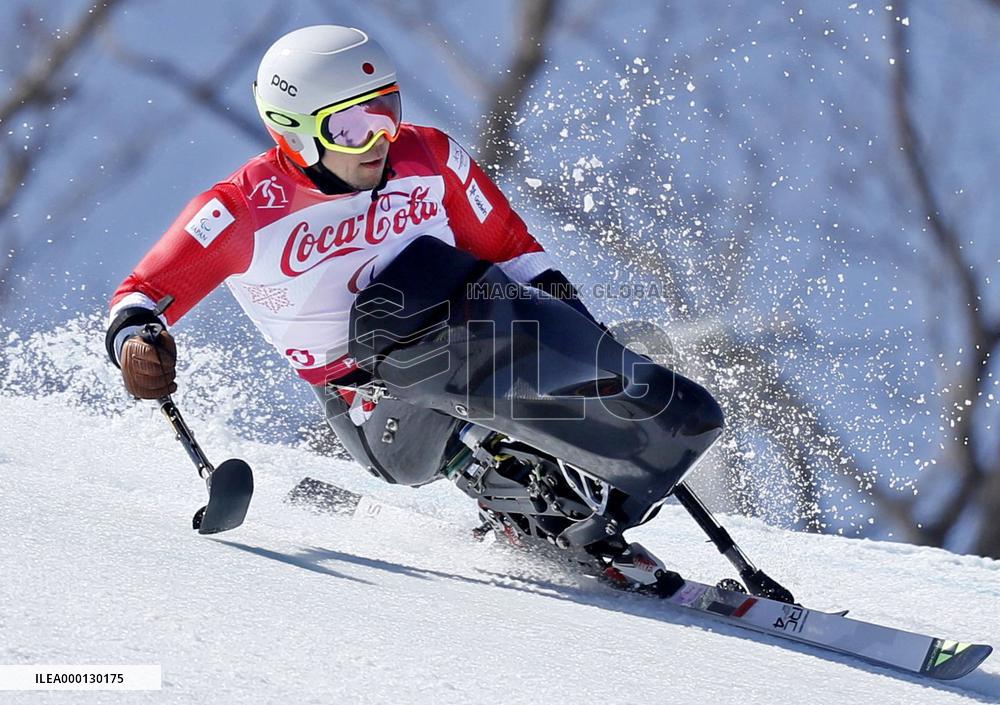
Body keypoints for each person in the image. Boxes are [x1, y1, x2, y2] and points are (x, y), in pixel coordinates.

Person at [106, 25, 596, 486]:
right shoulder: (242, 211)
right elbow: (141, 297)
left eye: (386, 112)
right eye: (349, 127)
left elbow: (513, 255)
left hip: (471, 343)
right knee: (453, 336)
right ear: (294, 132)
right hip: (368, 398)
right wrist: (136, 345)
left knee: (475, 287)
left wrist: (586, 336)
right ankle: (510, 473)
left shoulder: (428, 157)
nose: (379, 141)